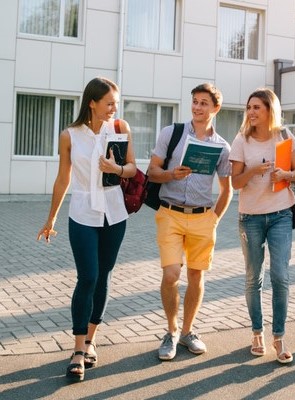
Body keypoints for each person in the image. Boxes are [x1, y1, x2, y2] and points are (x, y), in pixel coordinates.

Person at [37, 77, 137, 382]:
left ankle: (92, 340)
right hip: (82, 213)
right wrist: (51, 218)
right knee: (88, 276)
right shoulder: (69, 135)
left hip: (115, 213)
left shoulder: (120, 129)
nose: (113, 109)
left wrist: (116, 170)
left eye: (116, 104)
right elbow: (63, 179)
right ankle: (78, 349)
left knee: (104, 276)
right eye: (109, 103)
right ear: (92, 102)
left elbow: (133, 167)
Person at [147, 83, 232, 361]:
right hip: (170, 213)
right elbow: (152, 172)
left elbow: (227, 188)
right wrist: (172, 175)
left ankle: (187, 331)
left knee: (196, 276)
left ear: (215, 108)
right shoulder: (171, 133)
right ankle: (171, 332)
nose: (197, 107)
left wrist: (214, 219)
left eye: (203, 103)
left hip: (202, 218)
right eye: (194, 101)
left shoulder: (222, 146)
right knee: (171, 275)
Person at [229, 88, 295, 364]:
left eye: (257, 107)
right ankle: (257, 332)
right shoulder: (241, 140)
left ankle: (279, 336)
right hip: (251, 216)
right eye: (249, 107)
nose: (251, 112)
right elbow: (235, 182)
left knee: (280, 276)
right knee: (253, 277)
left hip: (281, 213)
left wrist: (285, 174)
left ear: (270, 110)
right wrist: (253, 171)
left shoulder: (284, 136)